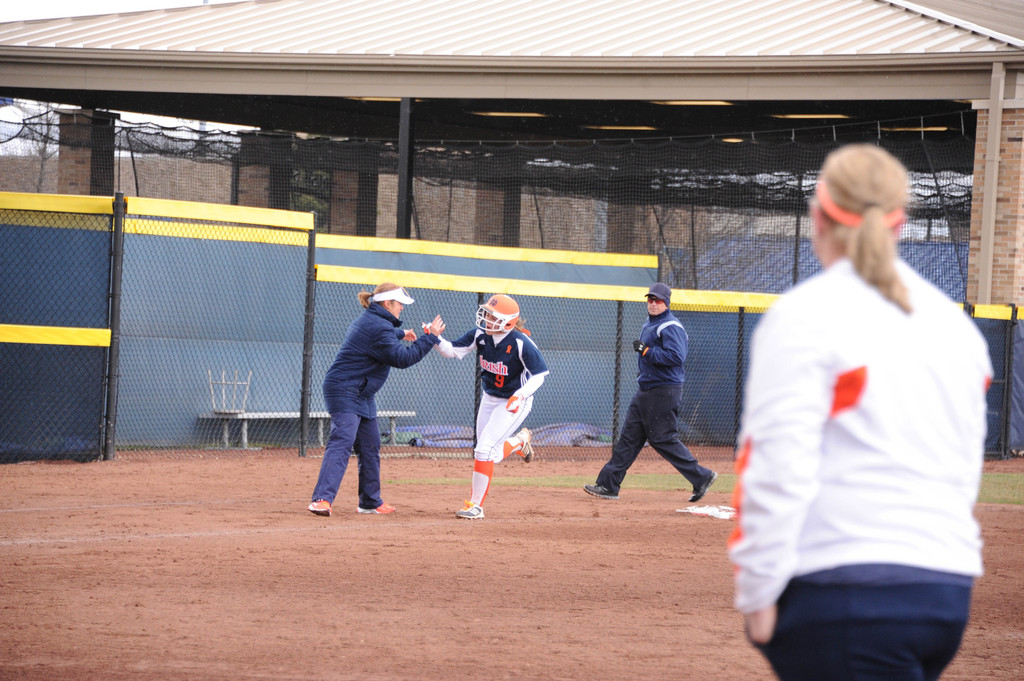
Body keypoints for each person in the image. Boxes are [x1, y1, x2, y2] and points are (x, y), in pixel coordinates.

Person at [728, 144, 992, 681]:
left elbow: (775, 469)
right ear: (899, 222)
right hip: (943, 591)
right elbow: (963, 468)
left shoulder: (804, 317)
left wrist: (756, 591)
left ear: (818, 214)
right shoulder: (954, 326)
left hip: (844, 594)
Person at [308, 283, 445, 517]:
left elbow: (385, 334)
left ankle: (370, 501)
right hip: (344, 389)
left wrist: (402, 333)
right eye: (399, 303)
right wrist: (429, 337)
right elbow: (403, 358)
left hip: (362, 392)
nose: (402, 307)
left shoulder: (375, 321)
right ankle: (321, 499)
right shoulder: (378, 326)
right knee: (342, 441)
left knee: (370, 446)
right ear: (386, 303)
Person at [584, 282, 717, 503]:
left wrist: (646, 351)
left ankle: (702, 476)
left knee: (662, 439)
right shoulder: (651, 323)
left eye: (658, 300)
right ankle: (608, 485)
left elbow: (676, 358)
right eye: (650, 299)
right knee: (629, 438)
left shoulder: (670, 326)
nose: (653, 304)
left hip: (663, 390)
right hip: (646, 390)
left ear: (667, 303)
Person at [433, 294, 548, 519]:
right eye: (486, 312)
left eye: (492, 315)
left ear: (507, 322)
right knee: (490, 455)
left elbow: (540, 375)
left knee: (484, 450)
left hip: (514, 401)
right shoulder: (480, 335)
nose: (486, 318)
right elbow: (452, 351)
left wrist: (521, 395)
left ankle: (475, 505)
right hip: (490, 397)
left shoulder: (521, 342)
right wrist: (435, 338)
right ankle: (519, 442)